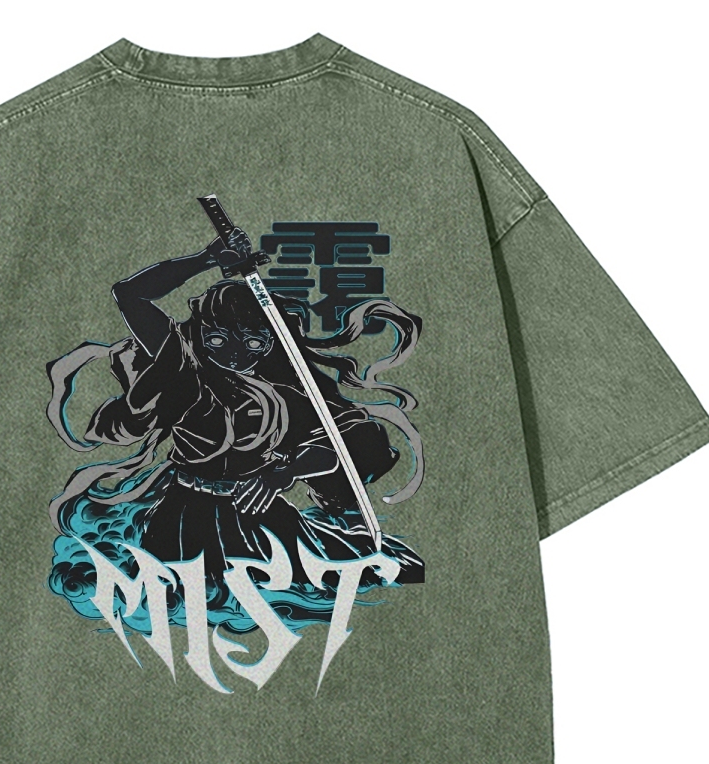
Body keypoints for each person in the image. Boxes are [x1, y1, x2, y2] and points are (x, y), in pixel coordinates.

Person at [46, 228, 426, 632]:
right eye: (217, 339)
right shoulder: (182, 362)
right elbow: (129, 294)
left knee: (367, 570)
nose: (234, 354)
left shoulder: (285, 388)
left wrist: (284, 472)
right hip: (184, 512)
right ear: (200, 334)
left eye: (253, 344)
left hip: (255, 508)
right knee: (173, 594)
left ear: (270, 343)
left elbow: (335, 447)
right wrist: (206, 258)